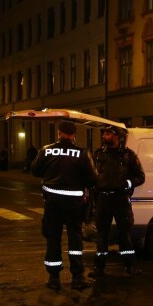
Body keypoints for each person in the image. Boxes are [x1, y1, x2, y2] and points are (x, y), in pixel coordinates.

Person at [31, 120, 97, 291]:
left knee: (53, 238)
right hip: (74, 204)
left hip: (52, 202)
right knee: (75, 238)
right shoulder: (82, 153)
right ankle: (77, 277)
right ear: (74, 135)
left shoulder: (47, 150)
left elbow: (35, 171)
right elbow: (93, 179)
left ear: (59, 133)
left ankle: (54, 278)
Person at [90, 126, 146, 278]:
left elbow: (140, 177)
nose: (104, 136)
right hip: (103, 199)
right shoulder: (98, 154)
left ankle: (130, 266)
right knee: (102, 235)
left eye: (108, 133)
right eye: (104, 133)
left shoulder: (128, 155)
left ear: (118, 137)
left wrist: (126, 184)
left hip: (121, 199)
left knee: (125, 234)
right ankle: (99, 268)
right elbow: (91, 176)